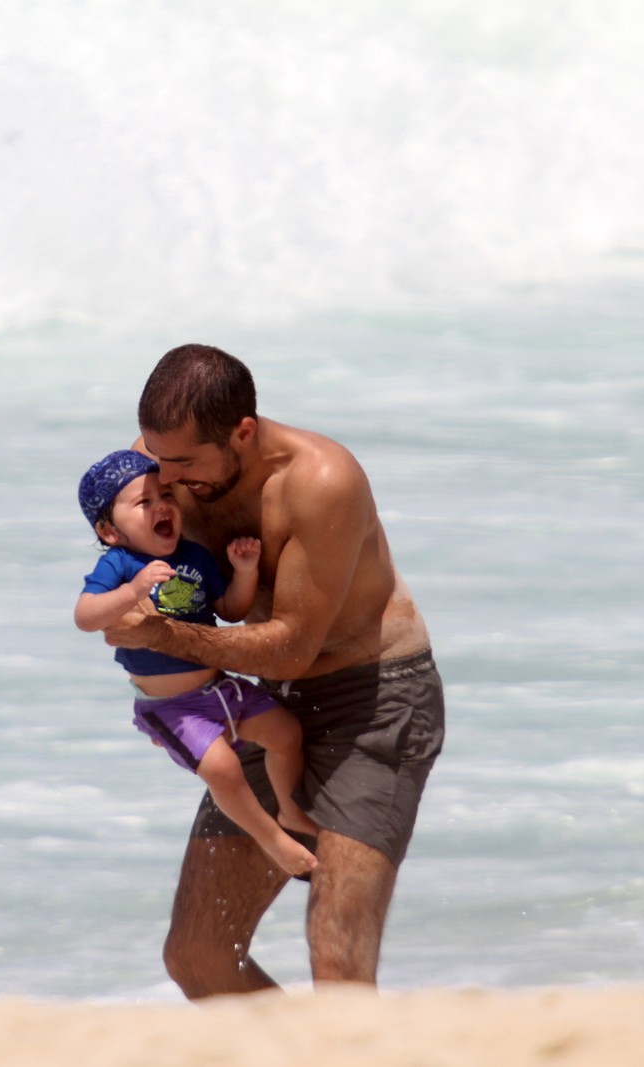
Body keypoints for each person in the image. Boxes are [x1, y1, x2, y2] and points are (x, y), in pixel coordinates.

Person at [103, 344, 445, 997]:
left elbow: (291, 643)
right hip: (263, 702)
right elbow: (176, 597)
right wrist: (162, 686)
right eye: (155, 455)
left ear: (244, 432)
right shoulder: (159, 466)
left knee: (338, 961)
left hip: (374, 700)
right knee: (199, 955)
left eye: (183, 461)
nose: (163, 477)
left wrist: (166, 633)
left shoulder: (320, 481)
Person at [74, 450, 320, 878]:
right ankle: (272, 840)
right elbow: (85, 616)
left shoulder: (196, 556)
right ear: (110, 531)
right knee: (223, 770)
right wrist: (132, 592)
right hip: (170, 708)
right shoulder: (119, 564)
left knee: (286, 732)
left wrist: (244, 571)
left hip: (220, 690)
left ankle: (289, 809)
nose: (161, 507)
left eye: (165, 495)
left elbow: (230, 609)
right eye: (143, 503)